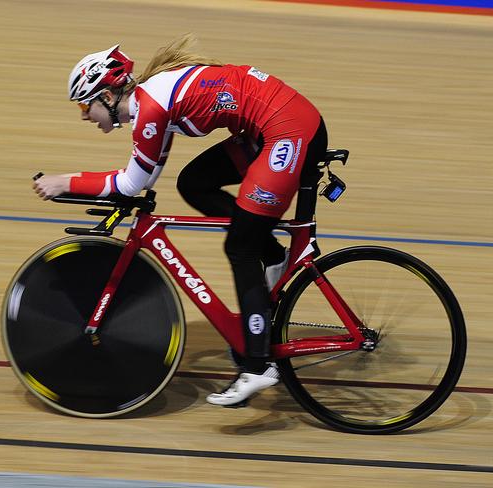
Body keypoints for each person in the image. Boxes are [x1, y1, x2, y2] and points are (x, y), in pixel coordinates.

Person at [33, 34, 328, 406]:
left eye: (83, 107)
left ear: (107, 96)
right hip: (276, 124)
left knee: (240, 247)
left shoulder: (151, 109)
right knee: (195, 183)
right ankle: (272, 254)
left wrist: (65, 182)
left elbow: (131, 183)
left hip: (288, 132)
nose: (84, 116)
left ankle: (257, 364)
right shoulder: (151, 104)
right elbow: (146, 175)